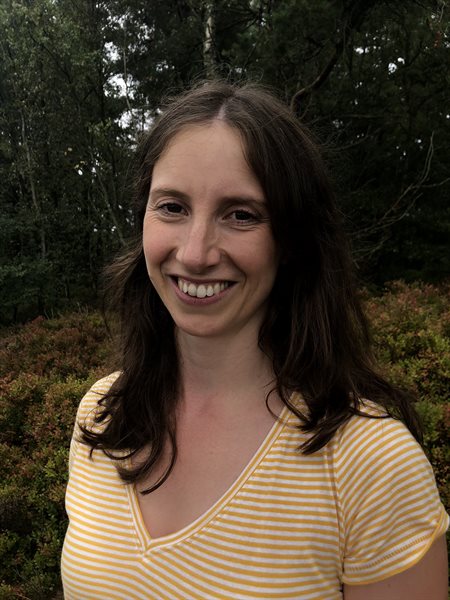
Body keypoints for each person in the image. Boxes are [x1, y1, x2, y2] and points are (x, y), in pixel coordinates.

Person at [61, 81, 448, 600]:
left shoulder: (371, 463)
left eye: (240, 215)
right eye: (172, 207)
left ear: (291, 241)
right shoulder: (102, 414)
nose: (195, 253)